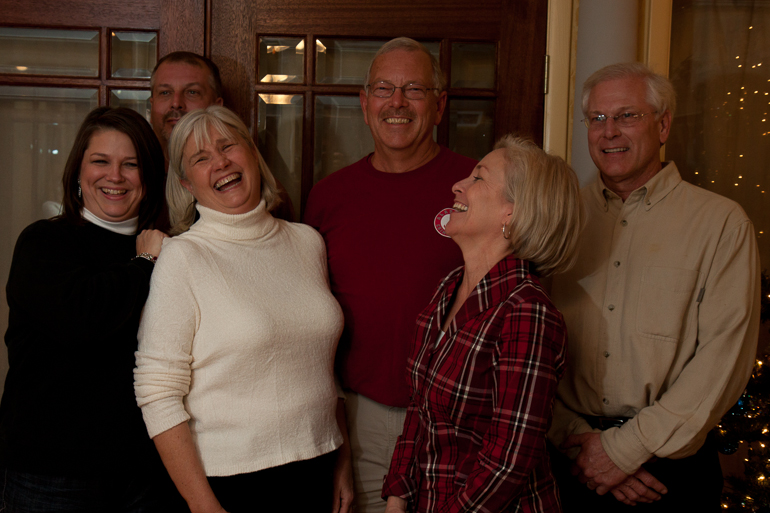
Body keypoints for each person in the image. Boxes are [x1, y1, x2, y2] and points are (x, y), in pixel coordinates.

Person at [548, 62, 761, 512]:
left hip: (668, 471)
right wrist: (580, 443)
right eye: (598, 119)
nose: (609, 133)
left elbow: (723, 359)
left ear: (663, 125)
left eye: (627, 116)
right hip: (567, 459)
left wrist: (622, 451)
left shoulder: (721, 224)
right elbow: (528, 343)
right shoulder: (559, 218)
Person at [134, 105, 352, 513]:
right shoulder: (183, 257)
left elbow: (323, 366)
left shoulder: (307, 242)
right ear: (186, 182)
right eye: (201, 158)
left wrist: (343, 461)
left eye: (228, 146)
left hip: (318, 467)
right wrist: (203, 506)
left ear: (252, 153)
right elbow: (157, 391)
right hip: (231, 484)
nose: (220, 162)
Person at [303, 37, 477, 513]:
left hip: (458, 421)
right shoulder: (328, 197)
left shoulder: (476, 187)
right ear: (364, 105)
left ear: (439, 105)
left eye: (414, 89)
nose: (396, 102)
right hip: (360, 420)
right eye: (383, 88)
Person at [382, 136, 583, 512]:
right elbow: (418, 415)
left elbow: (506, 464)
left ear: (512, 212)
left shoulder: (527, 312)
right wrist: (397, 500)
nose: (458, 185)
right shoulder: (447, 288)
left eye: (478, 177)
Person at [0, 107, 177, 510]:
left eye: (130, 165)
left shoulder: (171, 249)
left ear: (148, 178)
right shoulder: (44, 242)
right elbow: (88, 320)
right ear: (78, 173)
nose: (114, 176)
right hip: (50, 474)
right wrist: (145, 264)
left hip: (143, 473)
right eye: (101, 162)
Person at [150, 51, 295, 223]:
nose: (176, 103)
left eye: (192, 92)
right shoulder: (133, 182)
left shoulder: (258, 190)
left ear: (217, 105)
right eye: (165, 93)